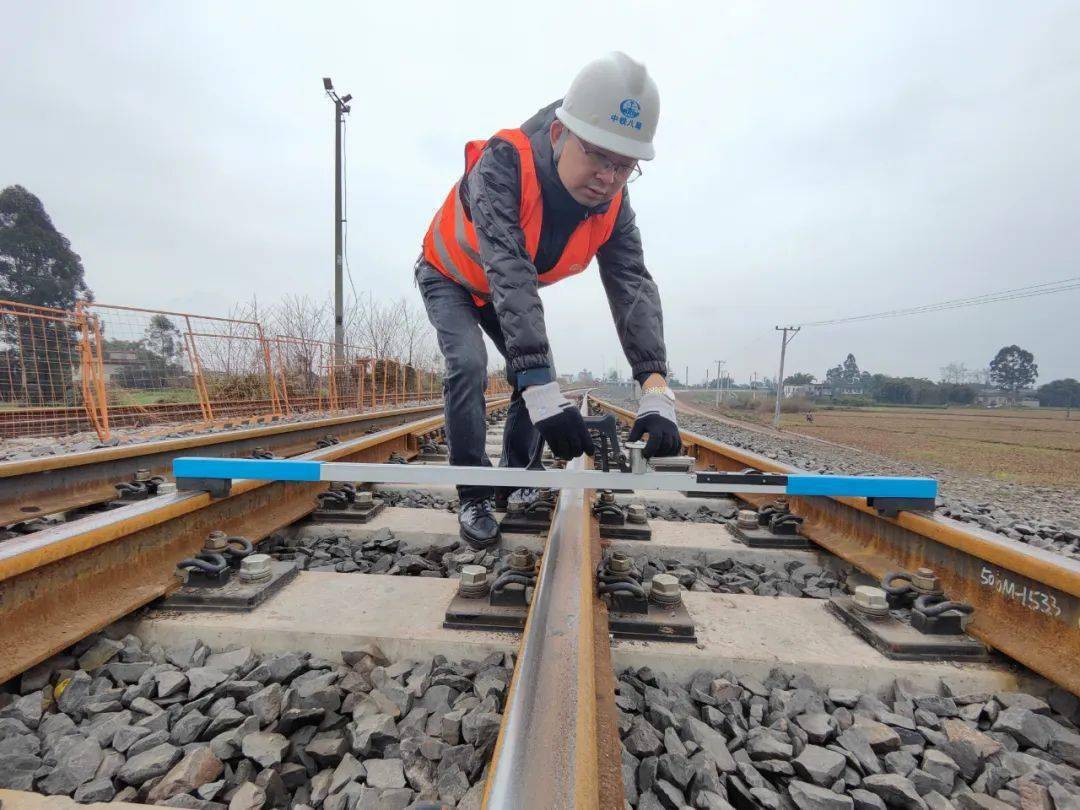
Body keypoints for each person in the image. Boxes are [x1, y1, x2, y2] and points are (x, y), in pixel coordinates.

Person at [416, 52, 680, 549]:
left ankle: (517, 479)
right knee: (471, 365)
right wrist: (539, 388)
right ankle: (474, 495)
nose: (608, 176)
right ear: (560, 136)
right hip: (449, 275)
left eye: (624, 166)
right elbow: (511, 271)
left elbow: (633, 286)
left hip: (503, 289)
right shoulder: (504, 163)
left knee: (536, 374)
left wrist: (655, 388)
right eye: (598, 156)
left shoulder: (614, 207)